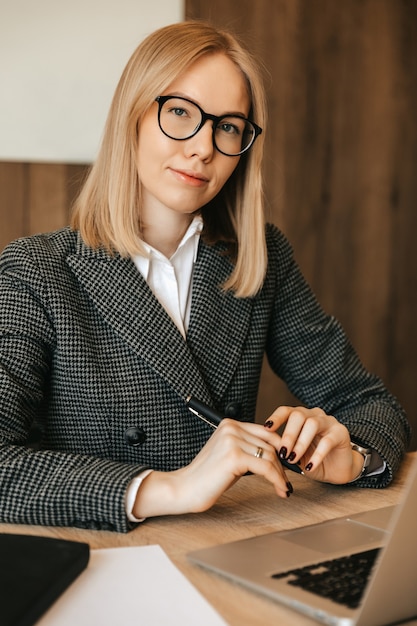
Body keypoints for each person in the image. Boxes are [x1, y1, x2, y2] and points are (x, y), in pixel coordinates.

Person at [0, 21, 411, 533]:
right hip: (107, 558)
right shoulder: (36, 271)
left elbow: (371, 404)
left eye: (229, 126)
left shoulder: (261, 259)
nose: (203, 147)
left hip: (232, 543)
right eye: (180, 113)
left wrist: (348, 453)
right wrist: (172, 487)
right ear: (132, 116)